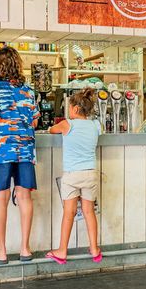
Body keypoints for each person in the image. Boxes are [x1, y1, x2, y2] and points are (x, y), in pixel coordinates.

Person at [0, 47, 38, 266]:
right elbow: (35, 121)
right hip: (26, 149)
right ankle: (25, 249)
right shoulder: (28, 90)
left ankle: (1, 252)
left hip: (3, 150)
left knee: (1, 197)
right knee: (24, 197)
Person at [45, 89, 103, 264]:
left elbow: (51, 130)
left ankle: (62, 251)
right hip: (90, 174)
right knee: (89, 211)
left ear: (76, 108)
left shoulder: (67, 124)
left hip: (72, 176)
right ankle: (94, 249)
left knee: (69, 213)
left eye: (69, 107)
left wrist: (51, 127)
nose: (68, 110)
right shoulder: (95, 125)